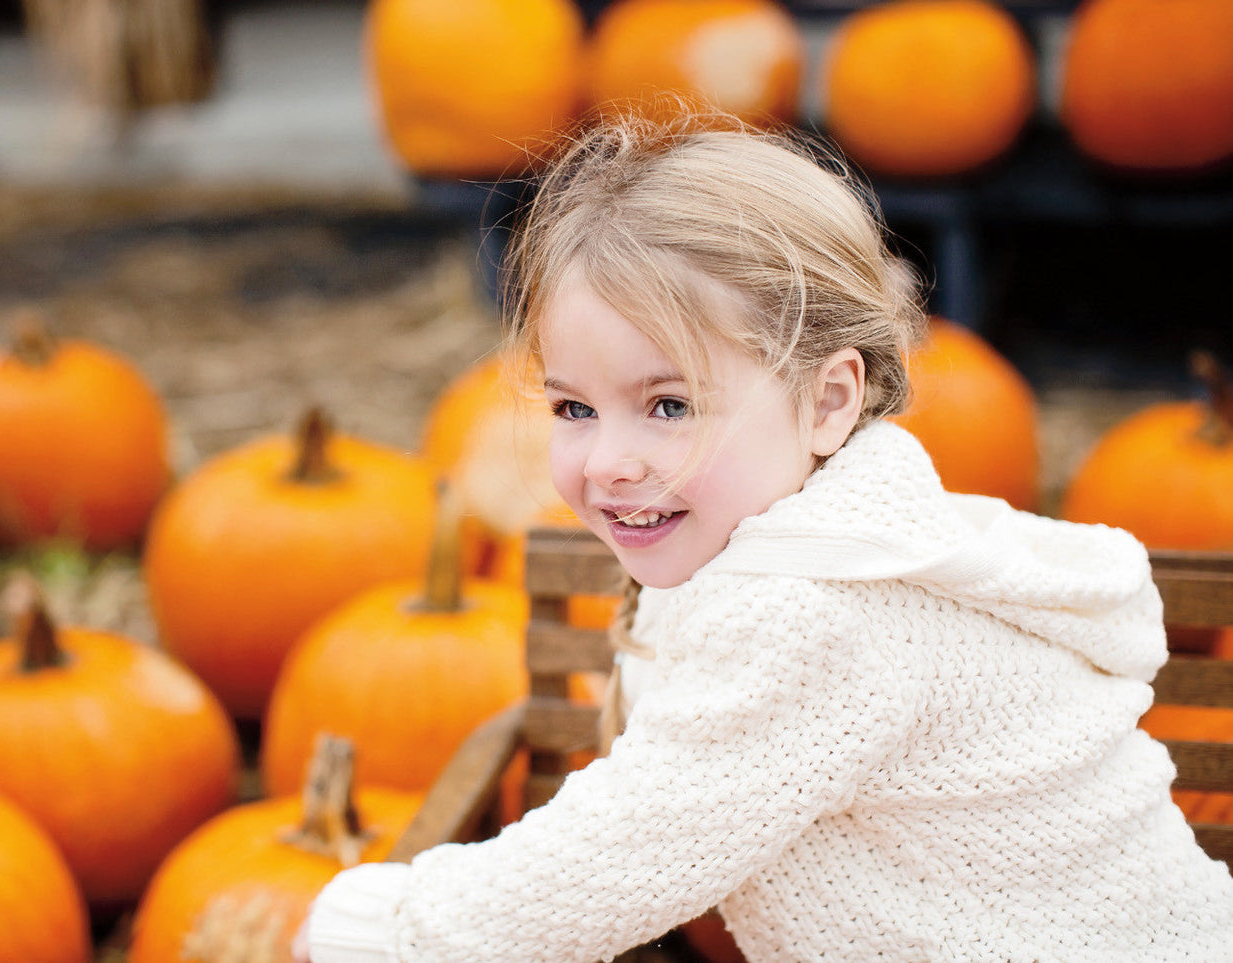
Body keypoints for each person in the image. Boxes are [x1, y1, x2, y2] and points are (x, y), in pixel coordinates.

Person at [297, 111, 1233, 961]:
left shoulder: (812, 615)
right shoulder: (839, 535)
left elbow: (620, 854)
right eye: (574, 407)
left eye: (669, 405)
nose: (609, 460)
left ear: (827, 402)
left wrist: (378, 928)